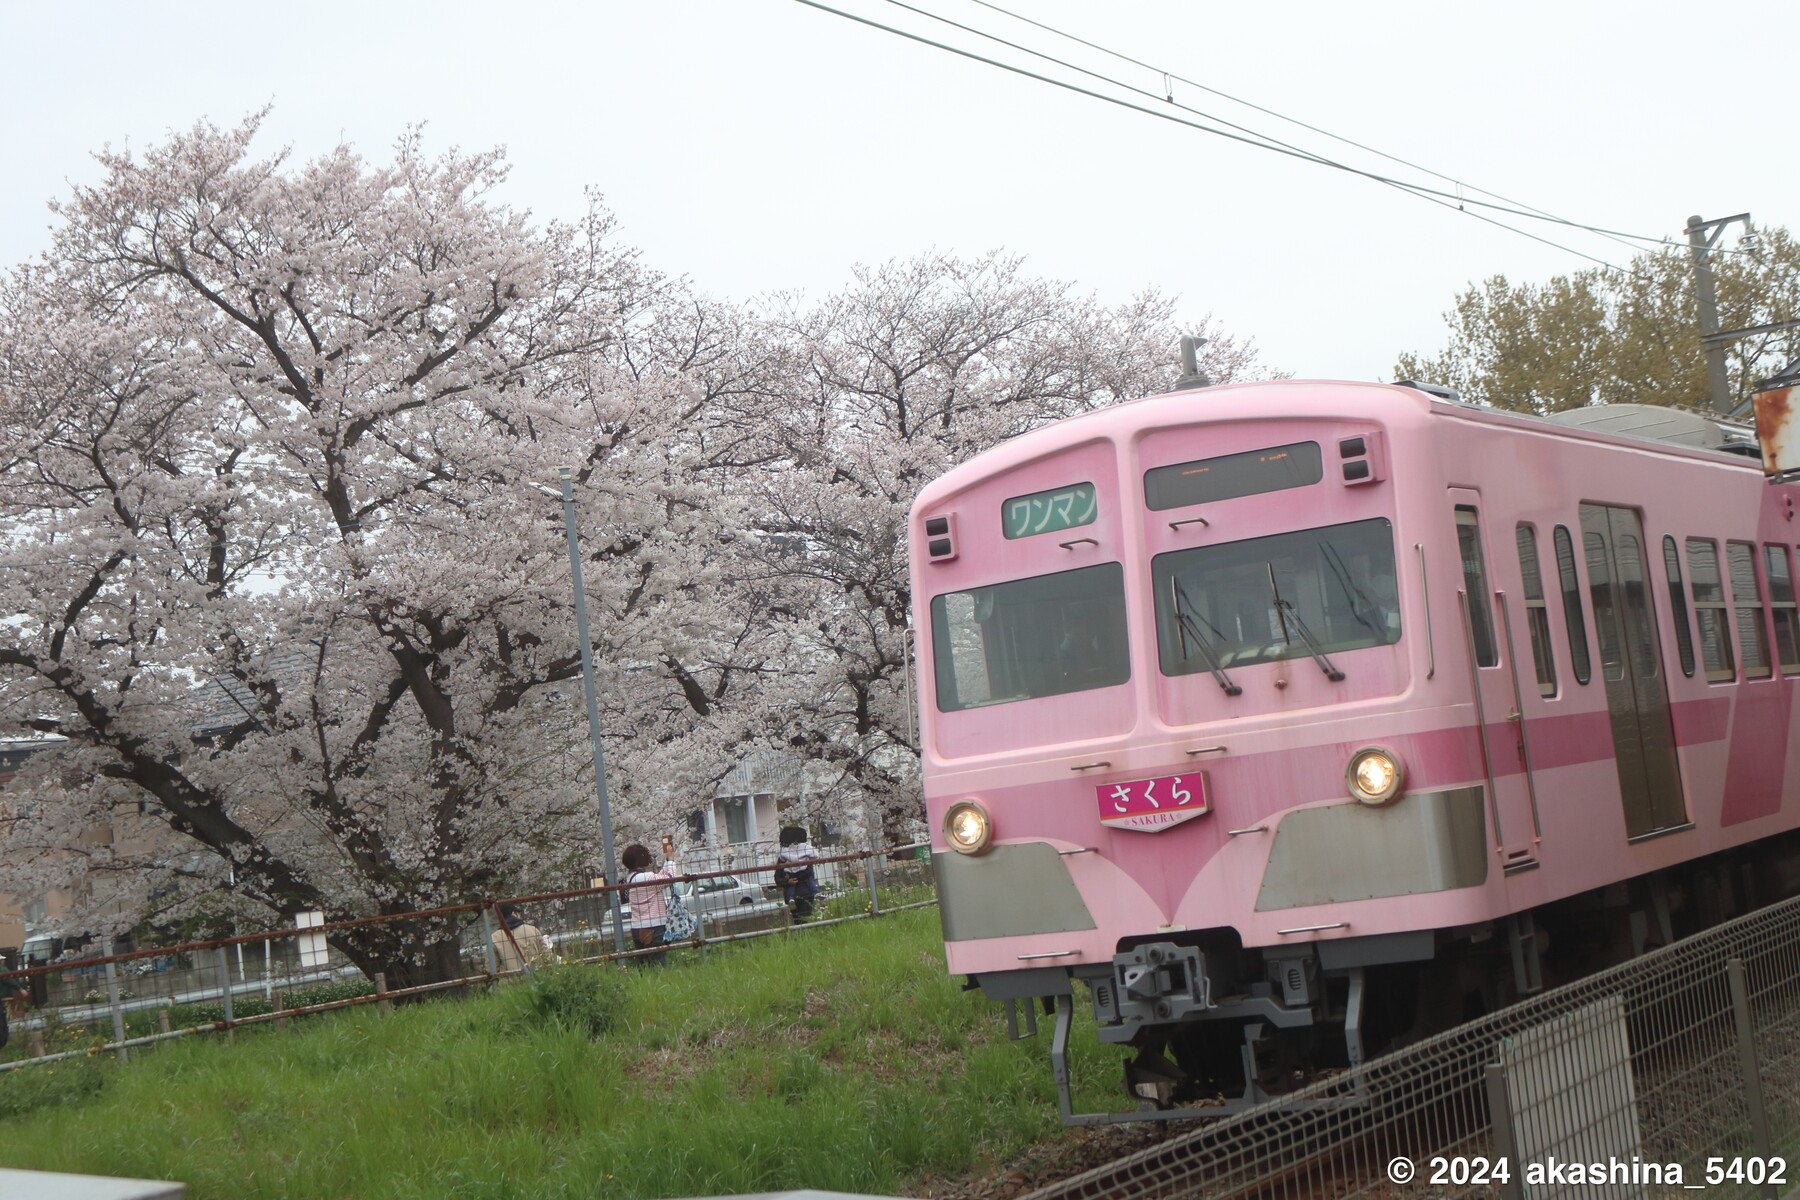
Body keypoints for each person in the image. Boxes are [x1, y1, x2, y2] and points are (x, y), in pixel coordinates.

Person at [623, 842, 680, 961]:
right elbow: (670, 878)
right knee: (658, 964)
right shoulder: (646, 877)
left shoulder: (630, 878)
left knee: (644, 965)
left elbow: (661, 878)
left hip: (637, 927)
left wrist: (667, 860)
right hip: (653, 926)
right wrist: (671, 861)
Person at [490, 904, 556, 974]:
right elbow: (547, 957)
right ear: (514, 914)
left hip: (511, 981)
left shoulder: (494, 937)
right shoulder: (532, 930)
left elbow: (491, 968)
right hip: (537, 977)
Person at [775, 825, 820, 923]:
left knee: (804, 920)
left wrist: (794, 877)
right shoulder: (782, 858)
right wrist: (788, 881)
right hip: (792, 896)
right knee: (797, 921)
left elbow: (809, 872)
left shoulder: (804, 855)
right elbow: (777, 878)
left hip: (805, 894)